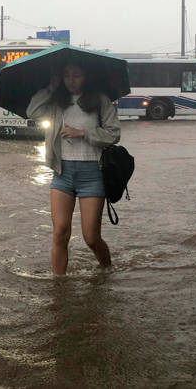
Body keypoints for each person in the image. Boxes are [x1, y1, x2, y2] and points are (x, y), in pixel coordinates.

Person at [26, 61, 121, 275]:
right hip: (62, 174)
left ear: (86, 76)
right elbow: (32, 111)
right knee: (60, 232)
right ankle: (59, 286)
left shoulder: (100, 100)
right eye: (67, 75)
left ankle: (107, 270)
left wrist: (83, 133)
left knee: (91, 238)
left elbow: (114, 134)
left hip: (92, 175)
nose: (71, 80)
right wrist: (51, 87)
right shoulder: (56, 102)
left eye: (76, 75)